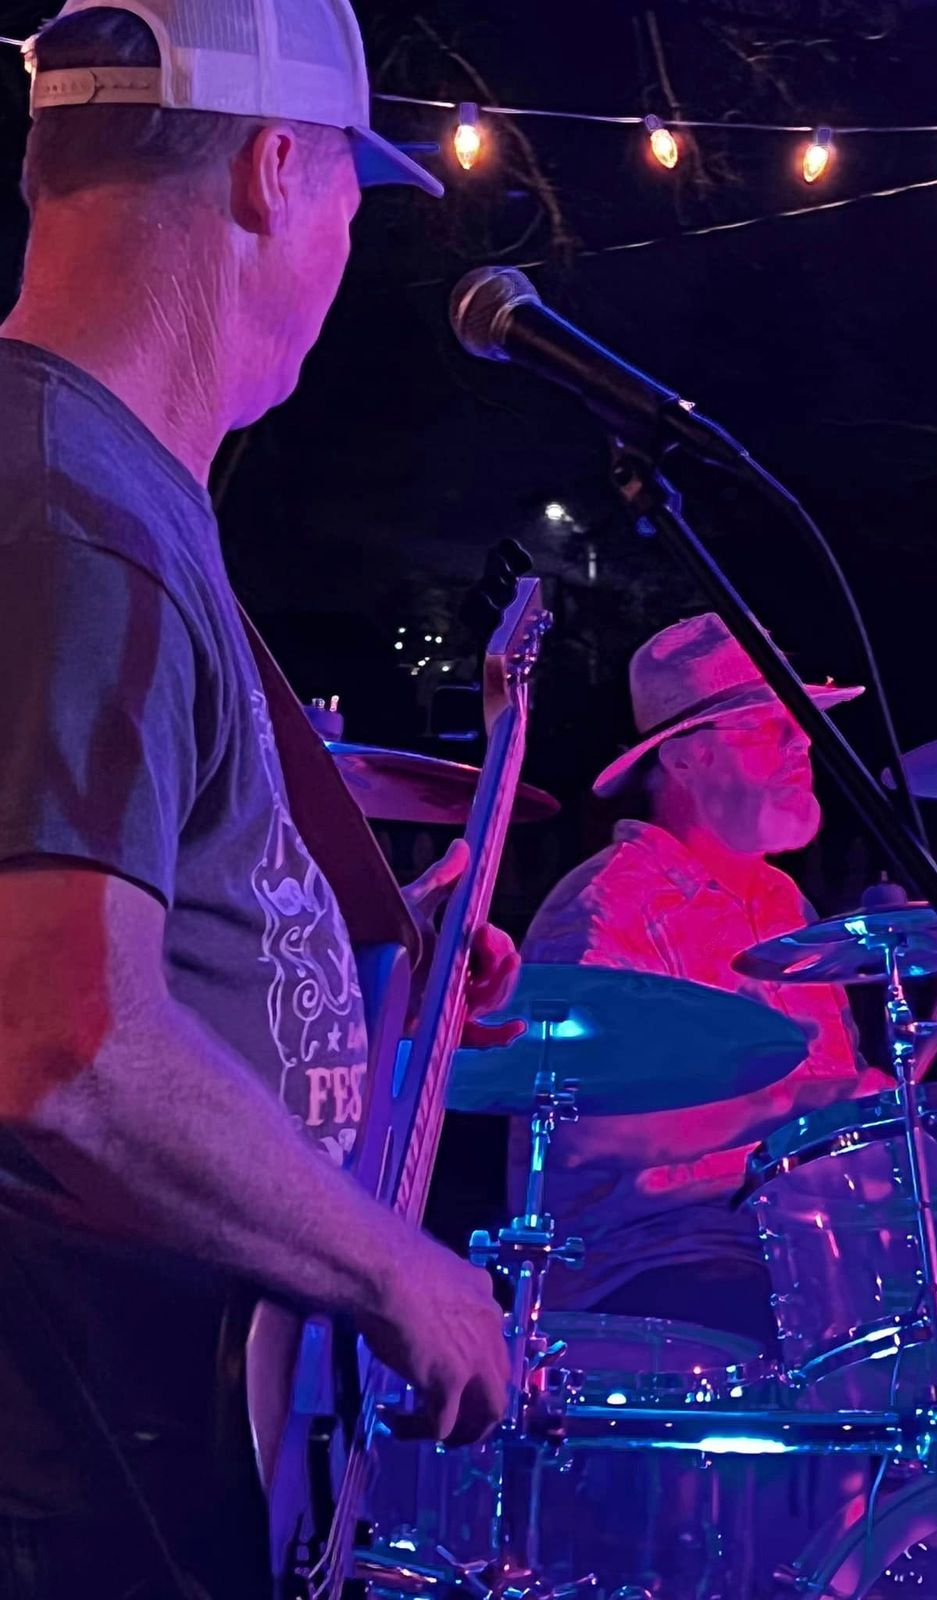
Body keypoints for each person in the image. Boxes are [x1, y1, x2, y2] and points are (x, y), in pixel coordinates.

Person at [0, 2, 518, 1596]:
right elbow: (61, 1039)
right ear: (274, 172)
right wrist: (397, 1270)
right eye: (354, 207)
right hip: (76, 1473)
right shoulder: (73, 514)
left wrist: (351, 955)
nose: (346, 260)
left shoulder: (94, 485)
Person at [517, 612, 889, 1347]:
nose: (803, 744)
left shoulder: (782, 903)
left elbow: (830, 1122)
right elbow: (582, 1134)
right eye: (768, 727)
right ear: (686, 759)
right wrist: (798, 1102)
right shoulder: (604, 907)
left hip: (787, 1244)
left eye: (801, 724)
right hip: (647, 1265)